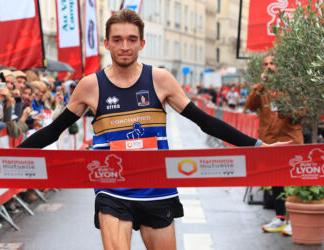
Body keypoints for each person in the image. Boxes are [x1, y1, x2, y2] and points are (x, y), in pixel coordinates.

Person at [18, 9, 289, 249]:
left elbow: (205, 122)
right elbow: (54, 131)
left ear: (142, 43)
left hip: (157, 188)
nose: (125, 46)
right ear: (107, 43)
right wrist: (6, 158)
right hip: (112, 189)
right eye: (117, 40)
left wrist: (258, 148)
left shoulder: (159, 79)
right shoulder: (91, 85)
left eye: (132, 40)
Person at [245, 54, 303, 236]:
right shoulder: (262, 88)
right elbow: (249, 105)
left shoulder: (292, 84)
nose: (269, 66)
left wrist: (289, 113)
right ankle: (280, 217)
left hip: (291, 139)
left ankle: (294, 219)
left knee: (294, 180)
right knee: (277, 181)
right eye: (266, 64)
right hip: (270, 141)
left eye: (272, 63)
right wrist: (260, 86)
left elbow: (304, 111)